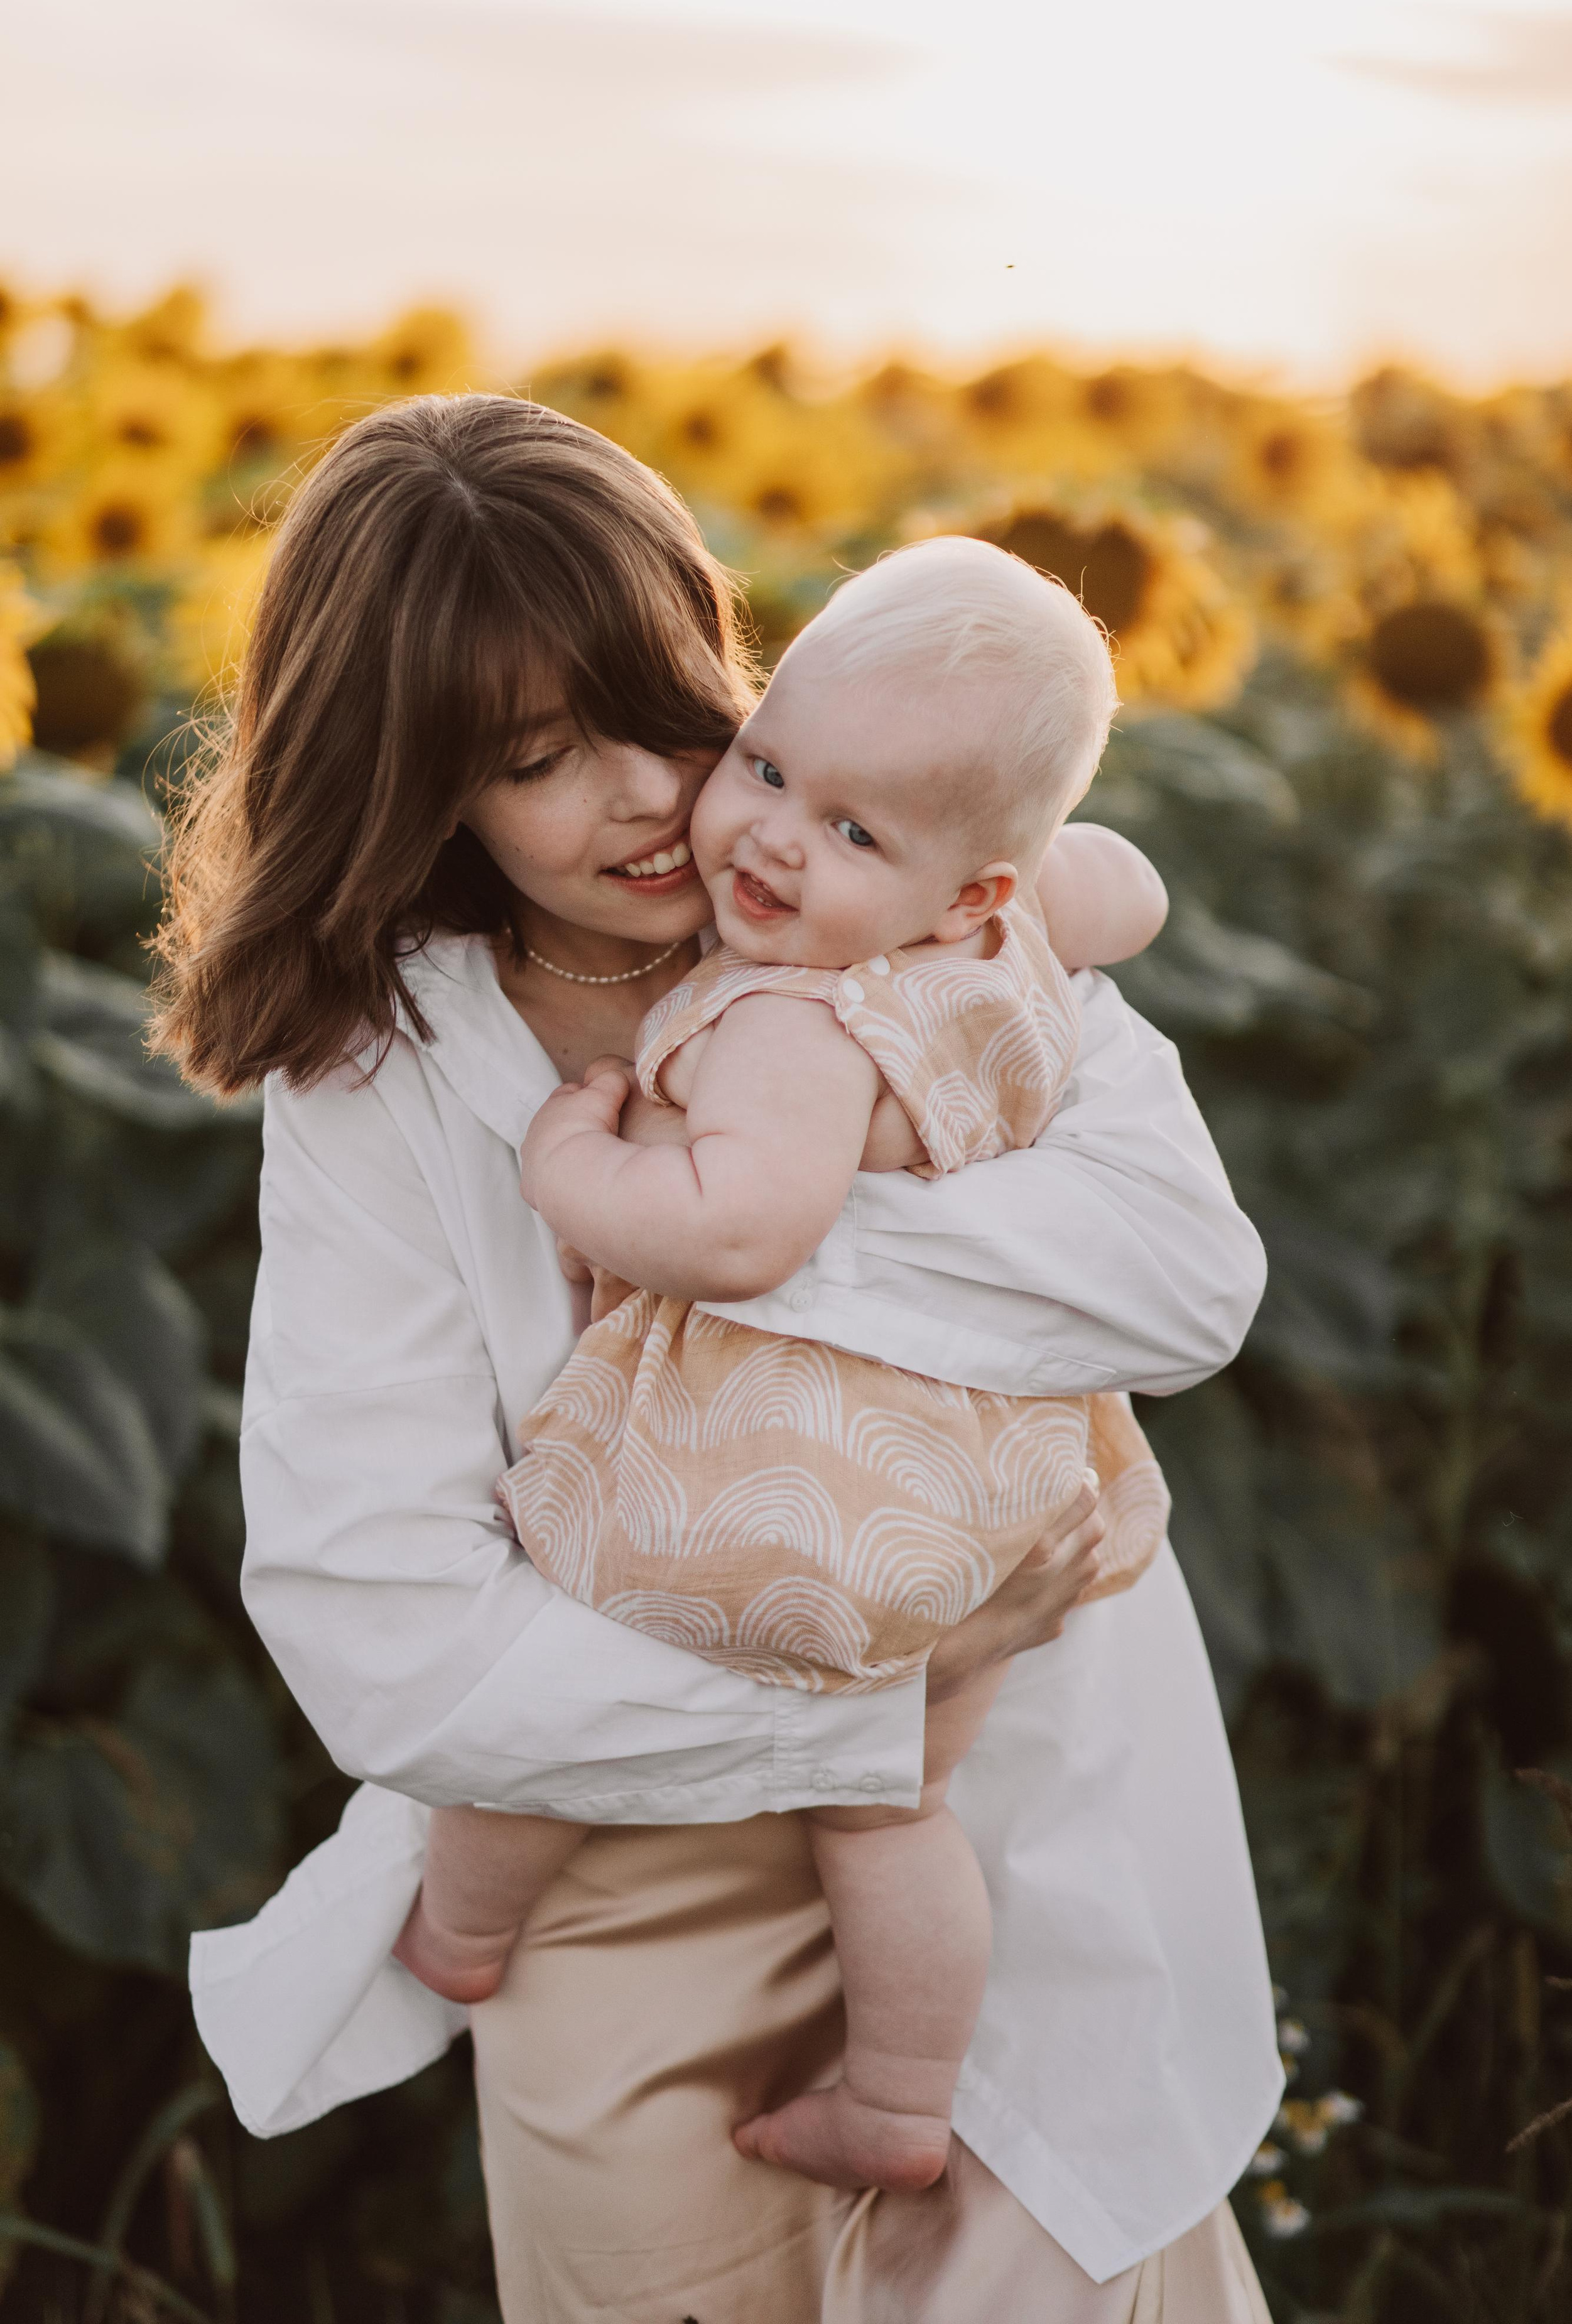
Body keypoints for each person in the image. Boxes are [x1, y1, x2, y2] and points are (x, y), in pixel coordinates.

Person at [165, 394, 1282, 2322]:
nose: (643, 797)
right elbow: (379, 1614)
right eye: (534, 758)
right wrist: (867, 1705)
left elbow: (1186, 1281)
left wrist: (732, 1240)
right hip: (616, 1870)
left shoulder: (924, 904)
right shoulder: (393, 1078)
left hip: (1010, 1851)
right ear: (419, 782)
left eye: (663, 707)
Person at [398, 538, 1176, 2201]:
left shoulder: (787, 1023)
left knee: (562, 1624)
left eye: (849, 832)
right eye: (765, 764)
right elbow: (1123, 886)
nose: (763, 838)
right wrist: (1018, 869)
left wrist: (576, 1173)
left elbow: (741, 1229)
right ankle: (900, 2098)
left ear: (956, 886)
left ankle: (464, 1921)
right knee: (893, 1812)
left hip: (765, 1487)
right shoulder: (1012, 932)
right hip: (994, 1508)